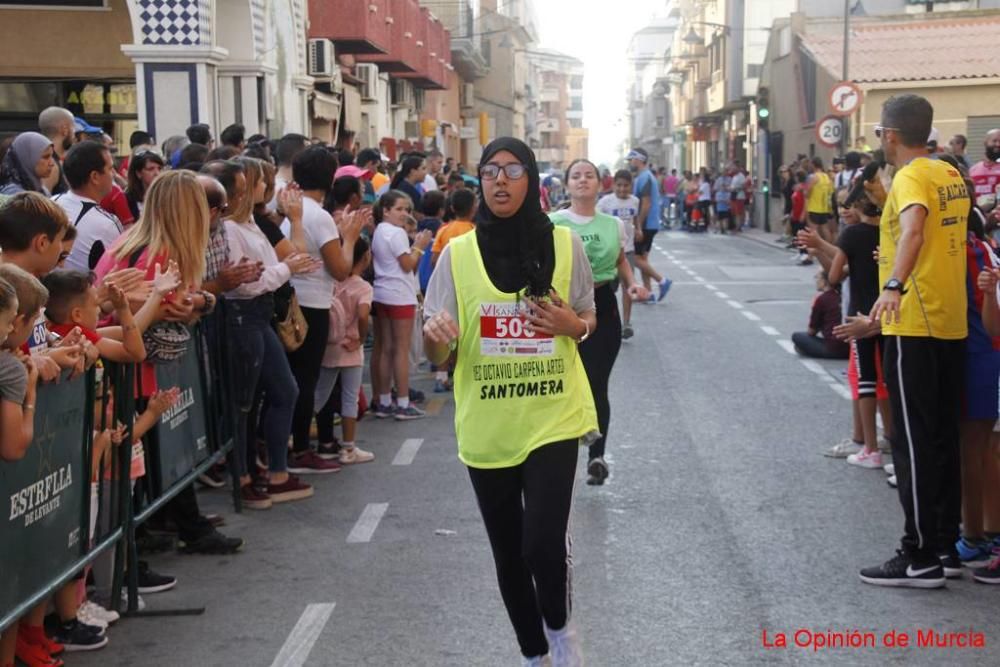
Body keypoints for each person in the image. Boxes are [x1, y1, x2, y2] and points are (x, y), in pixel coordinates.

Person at [423, 137, 598, 666]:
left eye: (512, 169)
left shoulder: (568, 247)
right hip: (488, 425)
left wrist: (575, 326)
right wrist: (436, 334)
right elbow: (437, 351)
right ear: (479, 181)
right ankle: (532, 654)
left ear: (531, 181)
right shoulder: (457, 254)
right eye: (490, 171)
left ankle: (562, 635)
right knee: (508, 551)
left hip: (553, 415)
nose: (500, 180)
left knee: (540, 544)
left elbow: (589, 317)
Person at [860, 94, 969, 589]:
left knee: (913, 442)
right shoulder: (950, 173)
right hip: (951, 320)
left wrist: (892, 283)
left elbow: (914, 231)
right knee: (943, 437)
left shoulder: (909, 176)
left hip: (915, 322)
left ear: (890, 135)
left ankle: (919, 554)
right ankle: (945, 545)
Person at [224, 156, 317, 505]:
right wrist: (286, 268)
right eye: (264, 181)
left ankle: (267, 470)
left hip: (257, 315)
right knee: (258, 398)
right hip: (244, 315)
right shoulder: (234, 228)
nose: (270, 187)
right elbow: (247, 282)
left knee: (274, 393)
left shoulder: (251, 223)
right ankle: (256, 473)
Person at [552, 158, 648, 487]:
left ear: (599, 184)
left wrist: (632, 283)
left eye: (589, 176)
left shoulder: (612, 225)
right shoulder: (553, 223)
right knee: (563, 384)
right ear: (566, 185)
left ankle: (596, 456)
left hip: (604, 306)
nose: (582, 180)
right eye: (575, 176)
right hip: (563, 309)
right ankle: (558, 457)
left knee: (596, 384)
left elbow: (621, 259)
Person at [282, 146, 362, 472]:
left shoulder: (290, 209)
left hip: (290, 298)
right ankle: (301, 448)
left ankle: (292, 443)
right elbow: (342, 269)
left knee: (295, 377)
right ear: (330, 178)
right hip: (313, 303)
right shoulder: (318, 216)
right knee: (306, 379)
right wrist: (351, 237)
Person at [829, 167, 886, 468]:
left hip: (861, 314)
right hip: (889, 312)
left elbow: (834, 274)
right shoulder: (888, 231)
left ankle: (870, 449)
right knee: (889, 378)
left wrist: (851, 266)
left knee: (866, 380)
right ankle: (895, 444)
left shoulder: (851, 235)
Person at [371, 190, 431, 420]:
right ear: (386, 210)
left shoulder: (380, 231)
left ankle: (385, 400)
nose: (404, 214)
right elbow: (407, 264)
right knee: (400, 350)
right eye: (399, 209)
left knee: (386, 347)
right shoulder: (395, 233)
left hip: (383, 292)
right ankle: (403, 402)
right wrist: (420, 245)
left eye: (407, 209)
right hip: (399, 295)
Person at [314, 237, 375, 464]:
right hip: (350, 348)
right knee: (350, 396)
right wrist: (360, 337)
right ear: (366, 257)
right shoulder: (363, 287)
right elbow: (362, 315)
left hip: (329, 345)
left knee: (319, 395)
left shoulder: (332, 281)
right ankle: (348, 448)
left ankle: (298, 436)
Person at [53, 140, 123, 272]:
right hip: (80, 290)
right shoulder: (107, 224)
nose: (114, 174)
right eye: (110, 168)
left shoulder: (50, 202)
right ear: (95, 177)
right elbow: (118, 272)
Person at [597, 170, 640, 338]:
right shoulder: (605, 202)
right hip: (609, 253)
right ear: (614, 185)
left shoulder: (634, 201)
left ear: (631, 186)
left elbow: (634, 219)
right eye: (619, 185)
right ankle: (604, 321)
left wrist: (639, 230)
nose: (622, 189)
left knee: (628, 286)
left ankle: (626, 324)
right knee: (608, 289)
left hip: (628, 251)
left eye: (626, 186)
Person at [626, 147, 671, 302]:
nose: (629, 162)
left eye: (631, 159)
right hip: (649, 224)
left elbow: (646, 203)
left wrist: (638, 226)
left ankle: (662, 280)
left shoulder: (645, 177)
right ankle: (649, 293)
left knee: (635, 258)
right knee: (643, 259)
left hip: (646, 224)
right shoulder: (643, 176)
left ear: (639, 160)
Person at [790, 270, 849, 360]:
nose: (816, 280)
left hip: (832, 348)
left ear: (825, 281)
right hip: (850, 348)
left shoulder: (822, 299)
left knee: (797, 336)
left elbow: (811, 331)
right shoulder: (845, 296)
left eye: (817, 277)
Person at [123, 150, 165, 221]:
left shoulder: (168, 194)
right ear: (138, 173)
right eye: (151, 169)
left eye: (159, 168)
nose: (157, 173)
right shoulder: (128, 199)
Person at [804, 157, 835, 243]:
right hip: (824, 208)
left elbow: (807, 193)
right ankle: (829, 248)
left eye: (810, 164)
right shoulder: (826, 177)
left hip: (813, 207)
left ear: (813, 165)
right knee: (825, 229)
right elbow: (830, 192)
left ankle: (811, 253)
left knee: (813, 231)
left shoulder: (814, 177)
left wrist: (805, 191)